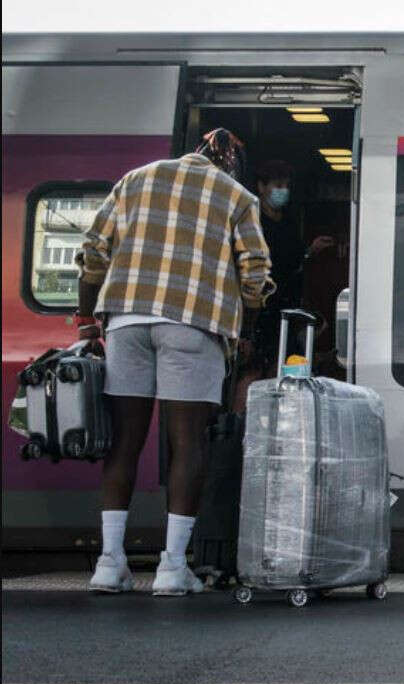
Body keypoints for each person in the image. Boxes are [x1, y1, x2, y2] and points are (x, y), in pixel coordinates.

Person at [76, 128, 273, 596]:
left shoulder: (135, 179)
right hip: (192, 323)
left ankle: (109, 562)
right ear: (229, 167)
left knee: (124, 443)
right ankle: (170, 567)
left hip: (125, 320)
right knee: (188, 445)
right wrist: (250, 309)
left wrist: (87, 322)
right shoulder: (237, 195)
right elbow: (256, 272)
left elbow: (93, 253)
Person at [233, 160, 334, 406]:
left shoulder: (288, 222)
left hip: (284, 306)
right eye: (278, 185)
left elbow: (292, 261)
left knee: (277, 367)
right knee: (253, 370)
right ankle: (239, 424)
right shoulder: (252, 222)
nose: (284, 191)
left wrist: (309, 252)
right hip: (258, 308)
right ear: (261, 187)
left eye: (287, 185)